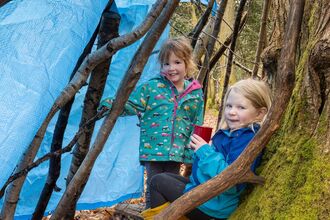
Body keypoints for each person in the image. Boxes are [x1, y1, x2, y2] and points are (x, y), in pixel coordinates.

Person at [142, 79, 272, 220]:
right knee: (161, 179)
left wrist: (204, 151)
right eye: (229, 106)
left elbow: (230, 179)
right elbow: (207, 167)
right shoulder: (229, 134)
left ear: (260, 113)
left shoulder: (247, 139)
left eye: (241, 107)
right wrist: (196, 151)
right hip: (205, 192)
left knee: (159, 182)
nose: (232, 112)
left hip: (214, 205)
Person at [100, 37, 204, 208]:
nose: (171, 68)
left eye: (177, 62)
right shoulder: (152, 88)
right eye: (166, 64)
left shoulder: (195, 94)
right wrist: (107, 105)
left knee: (170, 186)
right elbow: (130, 103)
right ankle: (151, 214)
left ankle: (167, 215)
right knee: (154, 184)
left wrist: (193, 153)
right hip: (153, 149)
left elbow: (196, 124)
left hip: (177, 151)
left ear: (187, 63)